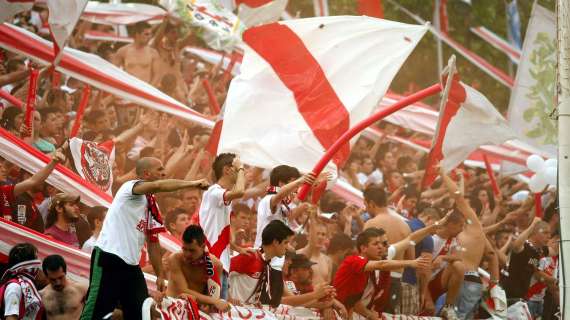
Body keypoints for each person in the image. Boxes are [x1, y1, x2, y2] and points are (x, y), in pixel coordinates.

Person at [80, 156, 209, 320]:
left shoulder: (151, 204)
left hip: (131, 266)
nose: (164, 173)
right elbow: (158, 186)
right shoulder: (130, 188)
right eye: (160, 169)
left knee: (141, 312)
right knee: (97, 312)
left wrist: (160, 274)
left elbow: (153, 242)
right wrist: (193, 183)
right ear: (146, 174)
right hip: (109, 257)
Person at [333, 221, 437, 319]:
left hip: (359, 313)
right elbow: (382, 265)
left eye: (383, 244)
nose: (382, 247)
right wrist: (411, 262)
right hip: (342, 312)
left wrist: (433, 227)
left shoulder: (383, 255)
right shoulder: (356, 261)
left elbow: (410, 239)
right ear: (363, 248)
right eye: (376, 244)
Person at [229, 220, 334, 307]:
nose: (288, 247)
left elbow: (287, 301)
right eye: (285, 242)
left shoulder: (271, 267)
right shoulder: (251, 256)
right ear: (275, 242)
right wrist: (228, 297)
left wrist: (322, 302)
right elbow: (221, 272)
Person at [199, 153, 245, 298]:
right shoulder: (214, 192)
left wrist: (237, 248)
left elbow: (219, 231)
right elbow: (240, 191)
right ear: (227, 170)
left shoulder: (220, 195)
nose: (241, 172)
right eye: (236, 168)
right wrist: (242, 168)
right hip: (211, 264)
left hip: (222, 265)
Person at [363, 184, 411, 313]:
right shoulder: (404, 225)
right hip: (395, 279)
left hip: (375, 278)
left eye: (365, 205)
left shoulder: (371, 224)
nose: (365, 209)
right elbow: (410, 258)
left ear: (371, 203)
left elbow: (364, 255)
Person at [166, 225, 228, 311]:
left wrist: (210, 304)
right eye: (184, 249)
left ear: (203, 247)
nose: (187, 254)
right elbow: (183, 290)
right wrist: (214, 301)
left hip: (196, 311)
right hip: (173, 309)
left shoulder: (216, 265)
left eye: (192, 250)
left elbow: (213, 296)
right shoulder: (175, 259)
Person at [254, 165, 315, 248]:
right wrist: (299, 181)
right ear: (281, 184)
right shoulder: (268, 200)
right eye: (293, 183)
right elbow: (279, 196)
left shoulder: (283, 204)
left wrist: (314, 180)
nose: (296, 188)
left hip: (276, 256)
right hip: (263, 256)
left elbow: (296, 202)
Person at [1, 149, 65, 223]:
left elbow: (33, 181)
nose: (3, 169)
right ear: (27, 176)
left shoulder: (5, 191)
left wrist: (54, 161)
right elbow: (21, 227)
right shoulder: (21, 200)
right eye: (0, 167)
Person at [500, 217, 554, 304]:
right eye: (545, 232)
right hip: (507, 297)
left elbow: (556, 250)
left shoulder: (539, 250)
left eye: (549, 233)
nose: (549, 236)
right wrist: (533, 225)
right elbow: (516, 246)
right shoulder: (525, 246)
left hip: (521, 299)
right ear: (534, 232)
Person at [0, 243, 44, 320]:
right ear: (28, 263)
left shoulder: (27, 286)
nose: (38, 263)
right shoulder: (14, 287)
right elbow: (11, 318)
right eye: (36, 258)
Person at [40, 255, 88, 319]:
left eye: (60, 277)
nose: (58, 283)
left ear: (65, 272)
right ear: (46, 276)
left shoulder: (81, 289)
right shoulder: (42, 295)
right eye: (53, 279)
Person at [297, 206, 333, 285]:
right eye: (317, 234)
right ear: (308, 236)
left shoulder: (328, 260)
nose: (320, 237)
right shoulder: (300, 254)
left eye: (323, 234)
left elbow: (327, 283)